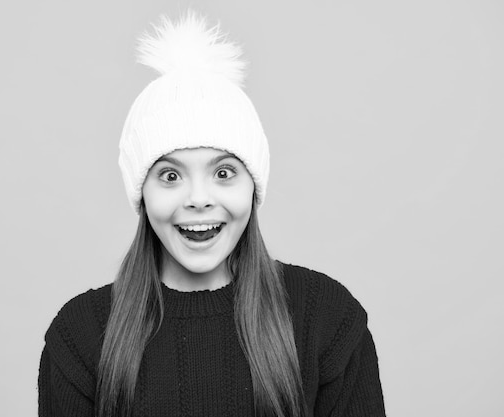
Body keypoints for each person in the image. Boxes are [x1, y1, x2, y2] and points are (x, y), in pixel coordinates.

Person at [38, 11, 385, 417]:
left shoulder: (326, 319)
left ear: (253, 186)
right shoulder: (80, 336)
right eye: (170, 175)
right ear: (141, 192)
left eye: (223, 173)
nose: (198, 199)